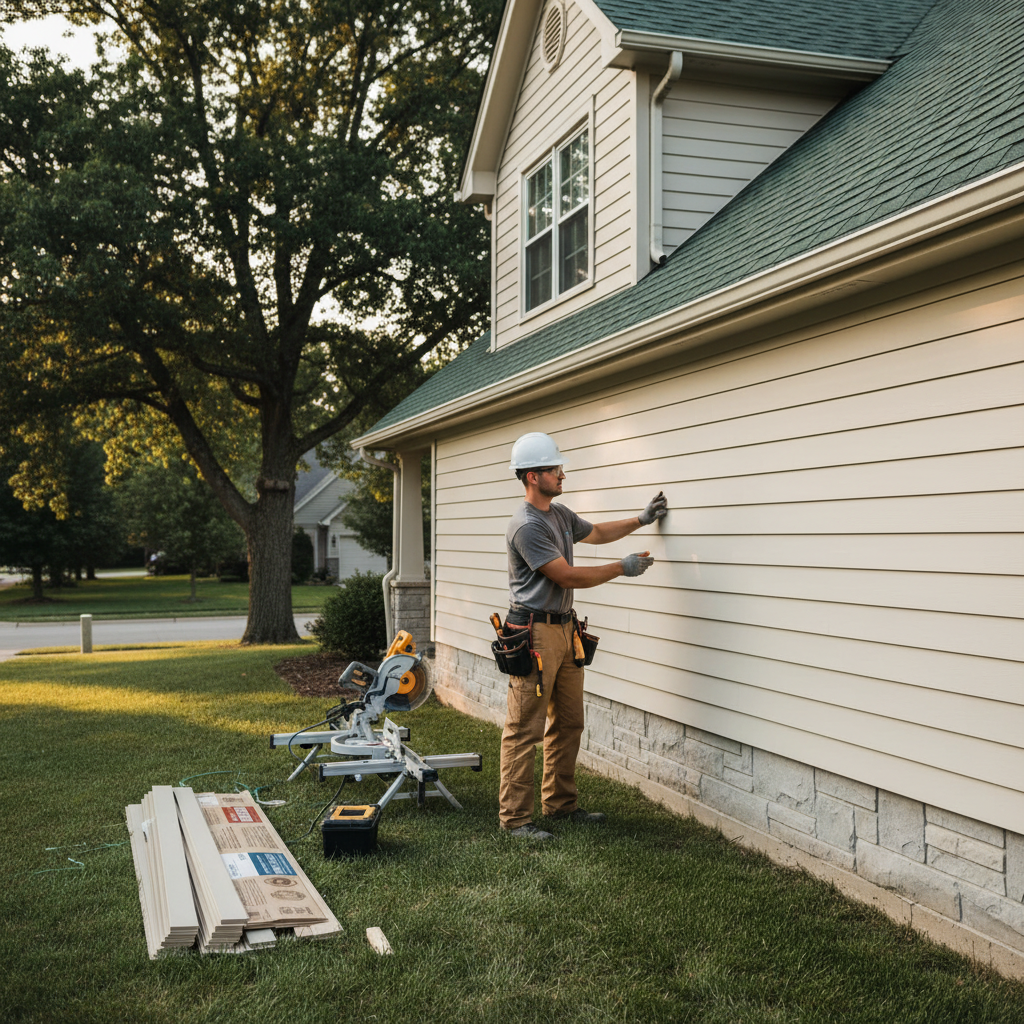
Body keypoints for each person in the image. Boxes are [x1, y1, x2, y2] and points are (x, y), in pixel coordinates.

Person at [500, 431, 668, 840]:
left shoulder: (559, 514)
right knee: (525, 729)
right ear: (532, 477)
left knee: (569, 722)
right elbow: (567, 575)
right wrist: (620, 568)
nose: (562, 473)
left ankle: (559, 805)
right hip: (534, 633)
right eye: (555, 468)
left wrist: (641, 520)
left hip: (564, 629)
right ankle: (516, 819)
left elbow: (596, 533)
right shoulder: (526, 525)